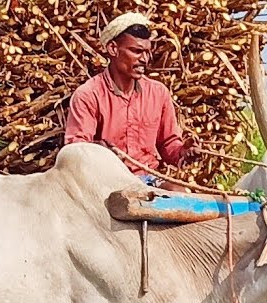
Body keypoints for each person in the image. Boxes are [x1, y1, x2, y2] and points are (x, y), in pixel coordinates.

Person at [64, 13, 191, 187]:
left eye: (147, 52)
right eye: (137, 51)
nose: (144, 59)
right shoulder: (88, 95)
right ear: (113, 49)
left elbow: (168, 144)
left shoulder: (158, 93)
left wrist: (184, 152)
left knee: (179, 192)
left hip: (148, 180)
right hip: (106, 183)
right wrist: (99, 151)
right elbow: (76, 152)